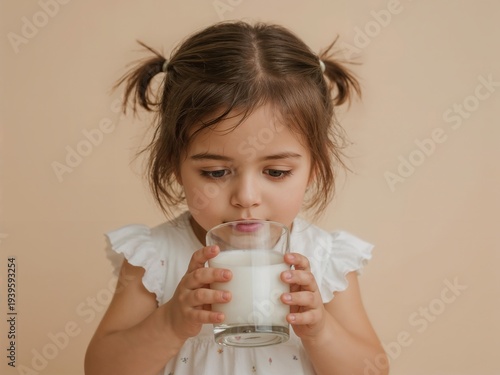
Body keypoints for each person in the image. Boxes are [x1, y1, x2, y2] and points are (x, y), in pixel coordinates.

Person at [84, 21, 388, 375]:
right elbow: (101, 368)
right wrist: (169, 324)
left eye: (275, 172)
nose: (246, 198)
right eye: (215, 173)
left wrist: (321, 331)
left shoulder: (325, 260)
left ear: (315, 167)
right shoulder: (155, 258)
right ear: (174, 166)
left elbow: (373, 368)